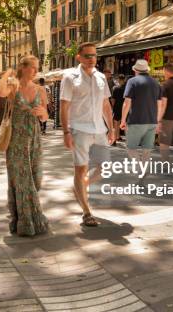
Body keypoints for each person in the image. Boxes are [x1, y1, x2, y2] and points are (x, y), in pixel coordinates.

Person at [61, 43, 115, 227]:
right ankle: (86, 211)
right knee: (80, 169)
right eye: (87, 56)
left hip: (99, 129)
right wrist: (66, 131)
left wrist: (112, 127)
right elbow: (64, 106)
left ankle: (80, 186)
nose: (91, 58)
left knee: (105, 168)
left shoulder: (101, 77)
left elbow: (106, 104)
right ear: (79, 57)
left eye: (94, 55)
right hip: (79, 129)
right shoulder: (70, 77)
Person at [0, 56, 49, 236]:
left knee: (35, 178)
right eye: (32, 67)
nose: (35, 71)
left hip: (34, 138)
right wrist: (8, 74)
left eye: (37, 68)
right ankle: (27, 221)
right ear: (23, 67)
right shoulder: (14, 86)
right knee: (21, 179)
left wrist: (42, 113)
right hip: (16, 140)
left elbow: (45, 116)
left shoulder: (41, 90)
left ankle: (21, 216)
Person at [120, 59, 162, 166]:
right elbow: (159, 104)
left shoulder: (132, 81)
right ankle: (143, 170)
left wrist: (123, 120)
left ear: (136, 70)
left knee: (131, 148)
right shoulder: (156, 83)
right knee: (147, 150)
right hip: (152, 121)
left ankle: (139, 166)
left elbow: (127, 102)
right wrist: (158, 121)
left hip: (136, 120)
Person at [111, 74, 127, 145]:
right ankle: (121, 136)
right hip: (124, 107)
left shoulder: (115, 88)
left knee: (116, 122)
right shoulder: (126, 88)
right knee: (123, 122)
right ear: (124, 80)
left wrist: (111, 107)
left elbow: (113, 100)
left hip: (117, 107)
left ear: (118, 80)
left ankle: (116, 137)